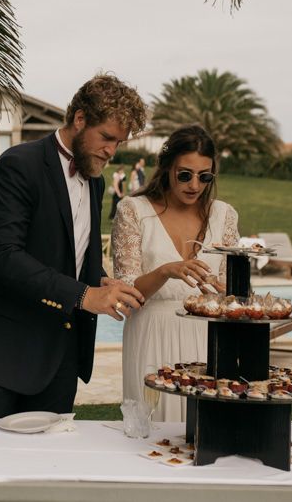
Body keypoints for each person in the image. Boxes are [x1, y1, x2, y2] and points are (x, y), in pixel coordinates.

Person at [0, 73, 148, 418]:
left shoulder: (95, 182)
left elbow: (73, 249)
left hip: (58, 357)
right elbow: (2, 256)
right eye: (107, 137)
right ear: (80, 119)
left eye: (119, 143)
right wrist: (84, 296)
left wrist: (99, 279)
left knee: (48, 464)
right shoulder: (18, 165)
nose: (112, 151)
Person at [111, 124, 240, 422]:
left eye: (204, 176)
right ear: (166, 168)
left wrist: (223, 289)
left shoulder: (225, 215)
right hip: (152, 333)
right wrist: (166, 271)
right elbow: (127, 294)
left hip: (207, 337)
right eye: (185, 174)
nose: (194, 185)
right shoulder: (133, 210)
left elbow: (230, 293)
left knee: (206, 432)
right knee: (153, 431)